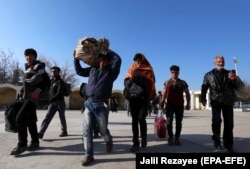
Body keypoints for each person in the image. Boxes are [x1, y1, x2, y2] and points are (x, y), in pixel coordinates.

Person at [73, 49, 121, 166]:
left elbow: (118, 60)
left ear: (108, 62)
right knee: (86, 130)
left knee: (102, 130)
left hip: (101, 105)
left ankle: (108, 140)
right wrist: (75, 58)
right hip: (88, 103)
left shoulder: (111, 72)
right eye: (100, 60)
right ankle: (89, 155)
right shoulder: (92, 70)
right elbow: (79, 71)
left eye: (105, 60)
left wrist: (106, 49)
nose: (102, 62)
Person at [10, 48, 50, 155]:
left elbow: (46, 80)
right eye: (27, 56)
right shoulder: (28, 68)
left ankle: (22, 145)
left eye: (31, 55)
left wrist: (38, 91)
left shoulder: (38, 66)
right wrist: (21, 90)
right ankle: (35, 142)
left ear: (35, 57)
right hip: (27, 97)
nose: (28, 57)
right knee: (31, 120)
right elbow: (28, 83)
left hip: (33, 97)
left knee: (19, 117)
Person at [200, 55, 241, 153]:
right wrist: (202, 98)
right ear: (215, 63)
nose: (221, 63)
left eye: (222, 61)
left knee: (229, 124)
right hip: (215, 100)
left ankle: (228, 144)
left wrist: (234, 79)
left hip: (227, 101)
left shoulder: (229, 73)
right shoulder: (208, 75)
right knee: (216, 121)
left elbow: (236, 86)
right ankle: (217, 140)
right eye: (218, 61)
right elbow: (204, 86)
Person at [124, 53, 156, 153]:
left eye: (138, 60)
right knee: (134, 121)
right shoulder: (131, 69)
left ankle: (144, 137)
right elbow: (126, 83)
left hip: (143, 99)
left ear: (142, 60)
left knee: (142, 119)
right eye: (135, 60)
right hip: (133, 99)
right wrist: (132, 79)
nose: (137, 62)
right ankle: (135, 143)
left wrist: (140, 78)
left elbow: (151, 83)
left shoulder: (148, 69)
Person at [160, 65, 190, 146]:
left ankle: (177, 138)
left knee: (178, 122)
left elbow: (187, 93)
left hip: (179, 105)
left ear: (179, 72)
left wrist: (188, 103)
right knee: (169, 122)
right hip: (169, 105)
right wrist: (162, 102)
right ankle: (170, 138)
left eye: (176, 72)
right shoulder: (167, 82)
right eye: (173, 72)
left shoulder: (183, 82)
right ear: (170, 73)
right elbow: (164, 93)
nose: (174, 74)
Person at [38, 66, 68, 139]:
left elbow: (59, 93)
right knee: (47, 117)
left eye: (55, 71)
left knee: (62, 117)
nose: (53, 72)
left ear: (58, 72)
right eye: (52, 71)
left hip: (60, 102)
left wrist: (50, 100)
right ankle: (41, 132)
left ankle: (64, 131)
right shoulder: (51, 81)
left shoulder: (60, 82)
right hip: (52, 103)